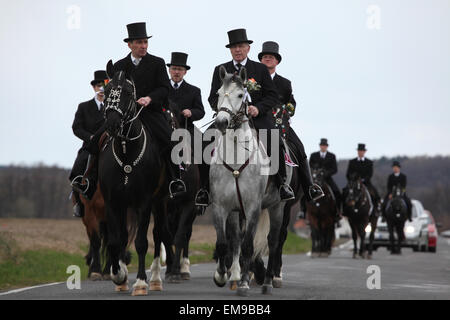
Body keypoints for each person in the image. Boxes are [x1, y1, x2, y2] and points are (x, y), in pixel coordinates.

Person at [195, 29, 323, 206]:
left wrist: (258, 108)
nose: (237, 50)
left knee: (275, 140)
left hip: (257, 118)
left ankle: (281, 184)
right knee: (203, 142)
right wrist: (222, 109)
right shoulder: (221, 70)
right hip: (229, 118)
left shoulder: (260, 69)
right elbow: (212, 97)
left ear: (248, 48)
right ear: (230, 50)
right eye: (234, 47)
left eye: (241, 46)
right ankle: (204, 189)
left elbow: (271, 96)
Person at [77, 22, 186, 199]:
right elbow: (115, 89)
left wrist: (149, 98)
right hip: (124, 114)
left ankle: (175, 180)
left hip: (150, 112)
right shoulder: (120, 65)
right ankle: (89, 180)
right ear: (130, 44)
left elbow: (164, 88)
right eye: (139, 43)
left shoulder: (157, 62)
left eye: (145, 42)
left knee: (169, 140)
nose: (143, 46)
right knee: (96, 139)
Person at [258, 40, 324, 208]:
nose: (268, 60)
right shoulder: (254, 81)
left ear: (277, 61)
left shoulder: (285, 83)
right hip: (259, 121)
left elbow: (291, 102)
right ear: (260, 60)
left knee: (300, 149)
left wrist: (288, 109)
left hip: (281, 123)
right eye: (265, 57)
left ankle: (310, 188)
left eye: (271, 57)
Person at [70, 70, 108, 217]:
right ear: (94, 87)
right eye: (99, 85)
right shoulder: (83, 107)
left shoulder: (114, 107)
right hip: (90, 146)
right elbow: (76, 128)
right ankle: (78, 202)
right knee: (79, 164)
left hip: (109, 145)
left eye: (105, 85)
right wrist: (90, 137)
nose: (101, 88)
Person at [166, 52, 205, 141]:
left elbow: (200, 111)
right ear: (169, 70)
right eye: (174, 69)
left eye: (180, 69)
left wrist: (191, 112)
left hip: (186, 128)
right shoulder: (161, 88)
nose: (176, 72)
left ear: (185, 72)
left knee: (202, 144)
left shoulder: (194, 91)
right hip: (164, 126)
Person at [309, 139, 342, 220]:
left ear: (327, 146)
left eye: (325, 146)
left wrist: (326, 173)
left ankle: (338, 211)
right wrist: (316, 173)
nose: (323, 147)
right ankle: (303, 211)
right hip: (315, 178)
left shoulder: (332, 156)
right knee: (306, 191)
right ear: (320, 146)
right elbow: (310, 166)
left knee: (336, 191)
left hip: (327, 178)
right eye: (322, 145)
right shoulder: (313, 155)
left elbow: (334, 169)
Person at [345, 143, 381, 215]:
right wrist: (353, 180)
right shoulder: (352, 162)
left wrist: (363, 180)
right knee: (345, 192)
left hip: (366, 183)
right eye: (359, 151)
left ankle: (376, 210)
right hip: (354, 183)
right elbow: (348, 174)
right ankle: (344, 211)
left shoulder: (369, 162)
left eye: (362, 151)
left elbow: (370, 174)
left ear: (364, 152)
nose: (360, 152)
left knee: (375, 193)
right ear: (357, 152)